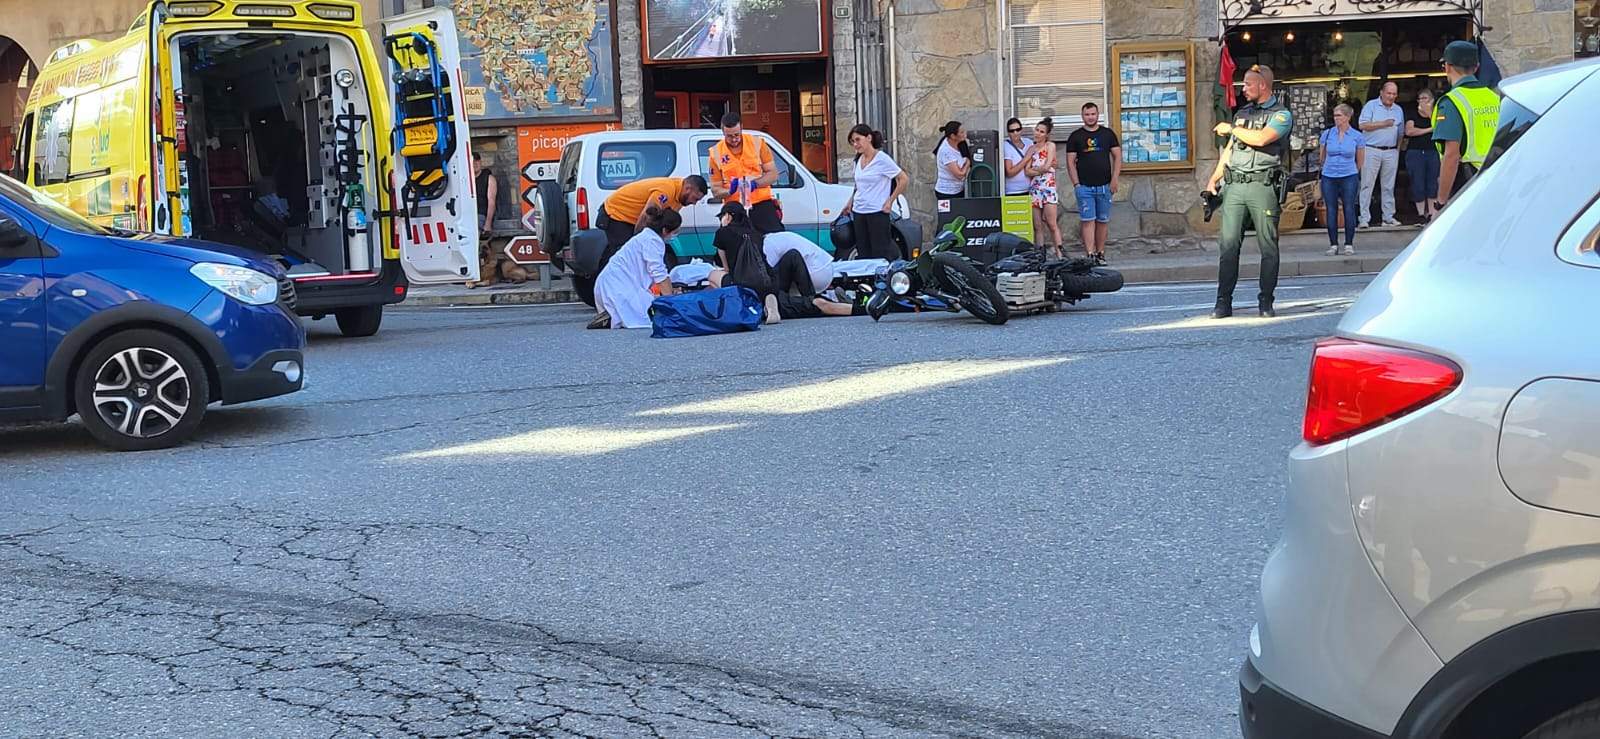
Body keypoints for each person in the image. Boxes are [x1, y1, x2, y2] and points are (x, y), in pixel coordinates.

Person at [1205, 63, 1293, 319]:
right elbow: (1231, 150)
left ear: (1262, 85)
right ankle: (1223, 302)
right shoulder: (1242, 113)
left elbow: (1262, 139)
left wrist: (1232, 128)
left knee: (1268, 246)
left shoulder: (1281, 115)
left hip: (1262, 186)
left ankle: (1265, 301)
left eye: (1248, 84)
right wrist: (1214, 179)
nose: (1244, 89)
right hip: (1235, 186)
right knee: (1228, 246)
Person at [1433, 40, 1501, 209]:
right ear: (1476, 67)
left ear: (1447, 67)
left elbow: (1451, 156)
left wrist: (1440, 202)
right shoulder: (1495, 97)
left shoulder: (1451, 102)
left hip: (1468, 182)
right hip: (1498, 178)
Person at [590, 208, 682, 330]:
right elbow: (658, 273)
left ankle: (612, 315)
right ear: (665, 230)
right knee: (646, 316)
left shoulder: (644, 237)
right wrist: (671, 302)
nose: (675, 235)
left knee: (644, 305)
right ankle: (613, 317)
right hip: (619, 287)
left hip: (609, 284)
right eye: (675, 232)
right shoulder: (652, 241)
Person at [839, 124, 907, 261]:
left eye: (858, 140)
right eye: (853, 142)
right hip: (859, 211)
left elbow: (903, 179)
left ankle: (881, 279)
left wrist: (890, 201)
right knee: (863, 251)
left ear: (868, 138)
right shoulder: (857, 160)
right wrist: (849, 203)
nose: (855, 145)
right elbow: (858, 185)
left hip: (877, 211)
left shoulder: (882, 159)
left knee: (880, 251)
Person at [1064, 103, 1122, 265]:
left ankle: (1100, 253)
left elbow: (1117, 156)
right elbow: (1070, 162)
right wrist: (1076, 184)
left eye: (1093, 114)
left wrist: (1115, 179)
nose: (1090, 117)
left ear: (1098, 115)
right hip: (1085, 187)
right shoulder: (1075, 136)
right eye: (1087, 114)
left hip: (1105, 186)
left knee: (1102, 221)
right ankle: (1089, 254)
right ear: (1082, 116)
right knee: (1088, 221)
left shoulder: (1107, 134)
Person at [708, 111, 784, 233]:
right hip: (734, 207)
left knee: (774, 239)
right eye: (729, 136)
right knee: (732, 244)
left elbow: (773, 174)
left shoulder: (757, 143)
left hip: (761, 203)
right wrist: (729, 191)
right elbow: (716, 191)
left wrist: (755, 184)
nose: (734, 139)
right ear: (722, 131)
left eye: (737, 135)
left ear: (742, 128)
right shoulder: (715, 153)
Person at [596, 174, 709, 253]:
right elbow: (647, 215)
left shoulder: (680, 198)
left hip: (632, 219)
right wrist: (638, 242)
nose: (694, 203)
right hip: (616, 213)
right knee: (627, 253)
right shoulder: (667, 190)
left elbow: (664, 223)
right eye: (695, 199)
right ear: (688, 188)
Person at [706, 268, 865, 320]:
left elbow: (713, 276)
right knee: (819, 303)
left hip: (743, 297)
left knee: (819, 303)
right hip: (764, 296)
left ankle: (860, 307)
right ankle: (861, 308)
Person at [1319, 104, 1365, 256]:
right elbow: (1322, 156)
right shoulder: (1327, 134)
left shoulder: (1357, 136)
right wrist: (1326, 169)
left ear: (1347, 117)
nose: (1336, 118)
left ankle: (1349, 243)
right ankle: (1333, 244)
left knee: (1349, 208)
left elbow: (1360, 159)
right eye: (1335, 115)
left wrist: (1353, 172)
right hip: (1329, 175)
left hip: (1348, 175)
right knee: (1331, 209)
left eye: (1339, 115)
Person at [1357, 81, 1404, 228]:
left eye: (1394, 94)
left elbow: (1401, 132)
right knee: (1366, 185)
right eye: (1389, 93)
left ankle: (1388, 217)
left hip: (1391, 150)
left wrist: (1397, 149)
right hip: (1372, 149)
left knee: (1389, 186)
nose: (1391, 96)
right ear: (1382, 93)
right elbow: (1362, 125)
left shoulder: (1398, 109)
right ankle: (1364, 218)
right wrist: (1383, 124)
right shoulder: (1371, 106)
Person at [1023, 118, 1062, 259]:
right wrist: (1041, 170)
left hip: (1048, 187)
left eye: (1041, 131)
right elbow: (1027, 170)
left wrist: (1037, 169)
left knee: (1052, 224)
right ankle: (1040, 254)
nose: (1038, 133)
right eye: (1037, 130)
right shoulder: (1031, 149)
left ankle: (1060, 253)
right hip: (1035, 188)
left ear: (1047, 134)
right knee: (1037, 225)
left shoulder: (1050, 145)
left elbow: (1047, 166)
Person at [761, 230, 836, 296]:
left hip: (814, 275)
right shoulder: (777, 237)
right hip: (827, 269)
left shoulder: (767, 244)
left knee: (773, 284)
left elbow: (770, 275)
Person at [1405, 88, 1441, 221]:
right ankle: (1421, 214)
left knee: (1433, 182)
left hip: (1433, 151)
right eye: (1420, 99)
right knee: (1417, 182)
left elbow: (1440, 128)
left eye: (1425, 98)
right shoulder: (1412, 113)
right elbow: (1409, 131)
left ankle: (1431, 213)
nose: (1422, 101)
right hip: (1416, 151)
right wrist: (1430, 129)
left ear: (1431, 100)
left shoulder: (1438, 113)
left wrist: (1429, 114)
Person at [711, 201, 758, 272]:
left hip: (736, 276)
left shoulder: (722, 232)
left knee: (712, 276)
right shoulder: (754, 232)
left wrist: (723, 227)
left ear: (727, 216)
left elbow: (723, 265)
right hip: (755, 275)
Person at [932, 120, 970, 200]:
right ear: (953, 136)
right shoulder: (946, 151)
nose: (965, 134)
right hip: (946, 192)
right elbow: (959, 174)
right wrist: (967, 164)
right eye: (961, 132)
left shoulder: (961, 143)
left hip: (959, 189)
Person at [1001, 117, 1033, 198]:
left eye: (1018, 129)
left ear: (1021, 130)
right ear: (1008, 133)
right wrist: (1026, 159)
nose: (1015, 133)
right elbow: (1009, 172)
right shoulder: (1006, 145)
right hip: (1013, 191)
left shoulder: (1029, 142)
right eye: (1012, 131)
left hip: (1030, 189)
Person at [473, 151, 498, 240]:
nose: (475, 163)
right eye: (472, 161)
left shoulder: (489, 178)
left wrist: (488, 223)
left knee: (473, 233)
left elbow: (491, 202)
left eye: (477, 160)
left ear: (480, 162)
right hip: (468, 215)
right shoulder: (465, 180)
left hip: (481, 215)